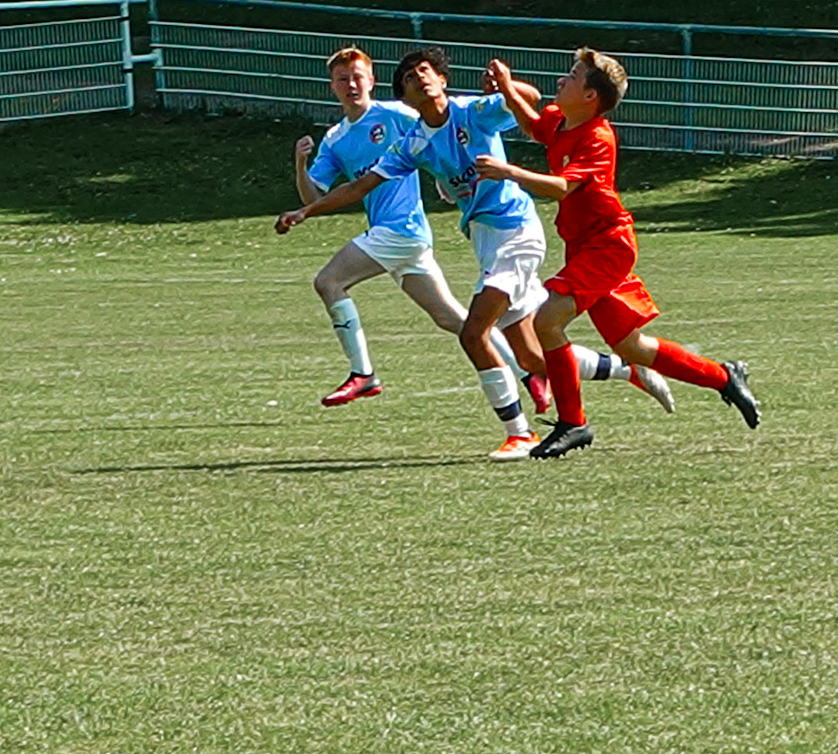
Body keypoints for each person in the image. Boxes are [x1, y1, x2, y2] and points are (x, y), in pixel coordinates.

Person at [278, 46, 673, 459]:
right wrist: (306, 211)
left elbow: (532, 99)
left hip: (516, 230)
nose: (421, 78)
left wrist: (505, 85)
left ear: (443, 80)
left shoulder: (473, 111)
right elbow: (357, 188)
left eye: (427, 71)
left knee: (473, 331)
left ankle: (519, 433)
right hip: (484, 240)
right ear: (407, 98)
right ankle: (628, 369)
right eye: (411, 78)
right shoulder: (412, 143)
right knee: (534, 357)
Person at [473, 49, 761, 458]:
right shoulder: (565, 119)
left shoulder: (597, 136)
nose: (562, 81)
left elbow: (561, 187)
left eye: (572, 77)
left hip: (607, 246)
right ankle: (723, 376)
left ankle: (573, 423)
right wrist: (506, 89)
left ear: (591, 96)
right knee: (632, 348)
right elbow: (538, 127)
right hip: (585, 246)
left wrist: (509, 172)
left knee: (547, 321)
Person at [289, 46, 530, 407]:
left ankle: (363, 374)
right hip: (399, 239)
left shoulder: (397, 113)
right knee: (455, 321)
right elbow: (315, 194)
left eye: (358, 77)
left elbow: (435, 132)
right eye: (343, 80)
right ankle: (528, 372)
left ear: (371, 80)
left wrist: (445, 177)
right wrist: (300, 164)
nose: (352, 84)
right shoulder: (336, 138)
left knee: (328, 282)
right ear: (333, 87)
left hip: (400, 230)